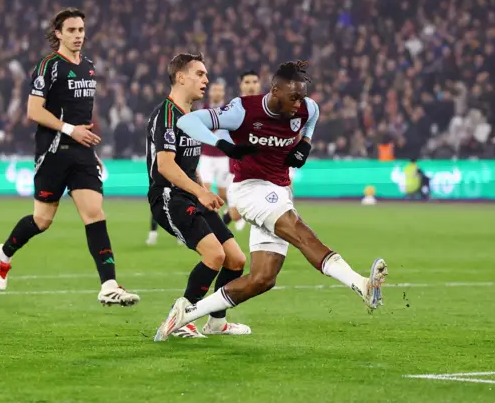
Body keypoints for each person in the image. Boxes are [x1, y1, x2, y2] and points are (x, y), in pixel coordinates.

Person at [154, 61, 388, 341]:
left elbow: (313, 115)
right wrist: (221, 143)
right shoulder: (243, 110)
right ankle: (362, 284)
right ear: (275, 90)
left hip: (278, 189)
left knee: (263, 279)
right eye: (293, 97)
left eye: (302, 96)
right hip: (249, 189)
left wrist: (306, 143)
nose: (298, 104)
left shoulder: (306, 109)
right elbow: (187, 121)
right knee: (299, 232)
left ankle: (186, 314)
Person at [0, 8, 139, 306]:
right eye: (71, 30)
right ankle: (4, 253)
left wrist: (90, 148)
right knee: (42, 221)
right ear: (58, 33)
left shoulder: (90, 67)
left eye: (81, 30)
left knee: (95, 213)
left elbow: (82, 116)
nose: (78, 36)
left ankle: (108, 285)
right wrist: (71, 130)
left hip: (81, 152)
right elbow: (33, 112)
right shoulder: (48, 66)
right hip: (53, 152)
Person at [147, 52, 255, 337]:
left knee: (236, 259)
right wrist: (200, 192)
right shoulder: (167, 114)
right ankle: (181, 320)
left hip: (190, 195)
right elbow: (166, 166)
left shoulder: (192, 118)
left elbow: (188, 165)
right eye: (200, 74)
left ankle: (217, 322)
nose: (206, 80)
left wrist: (203, 191)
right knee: (214, 255)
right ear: (180, 77)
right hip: (168, 197)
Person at [222, 70, 262, 232]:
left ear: (260, 84)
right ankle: (212, 231)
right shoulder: (233, 108)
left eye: (254, 81)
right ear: (241, 85)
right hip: (239, 170)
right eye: (247, 82)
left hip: (263, 170)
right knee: (236, 213)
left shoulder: (268, 107)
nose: (251, 86)